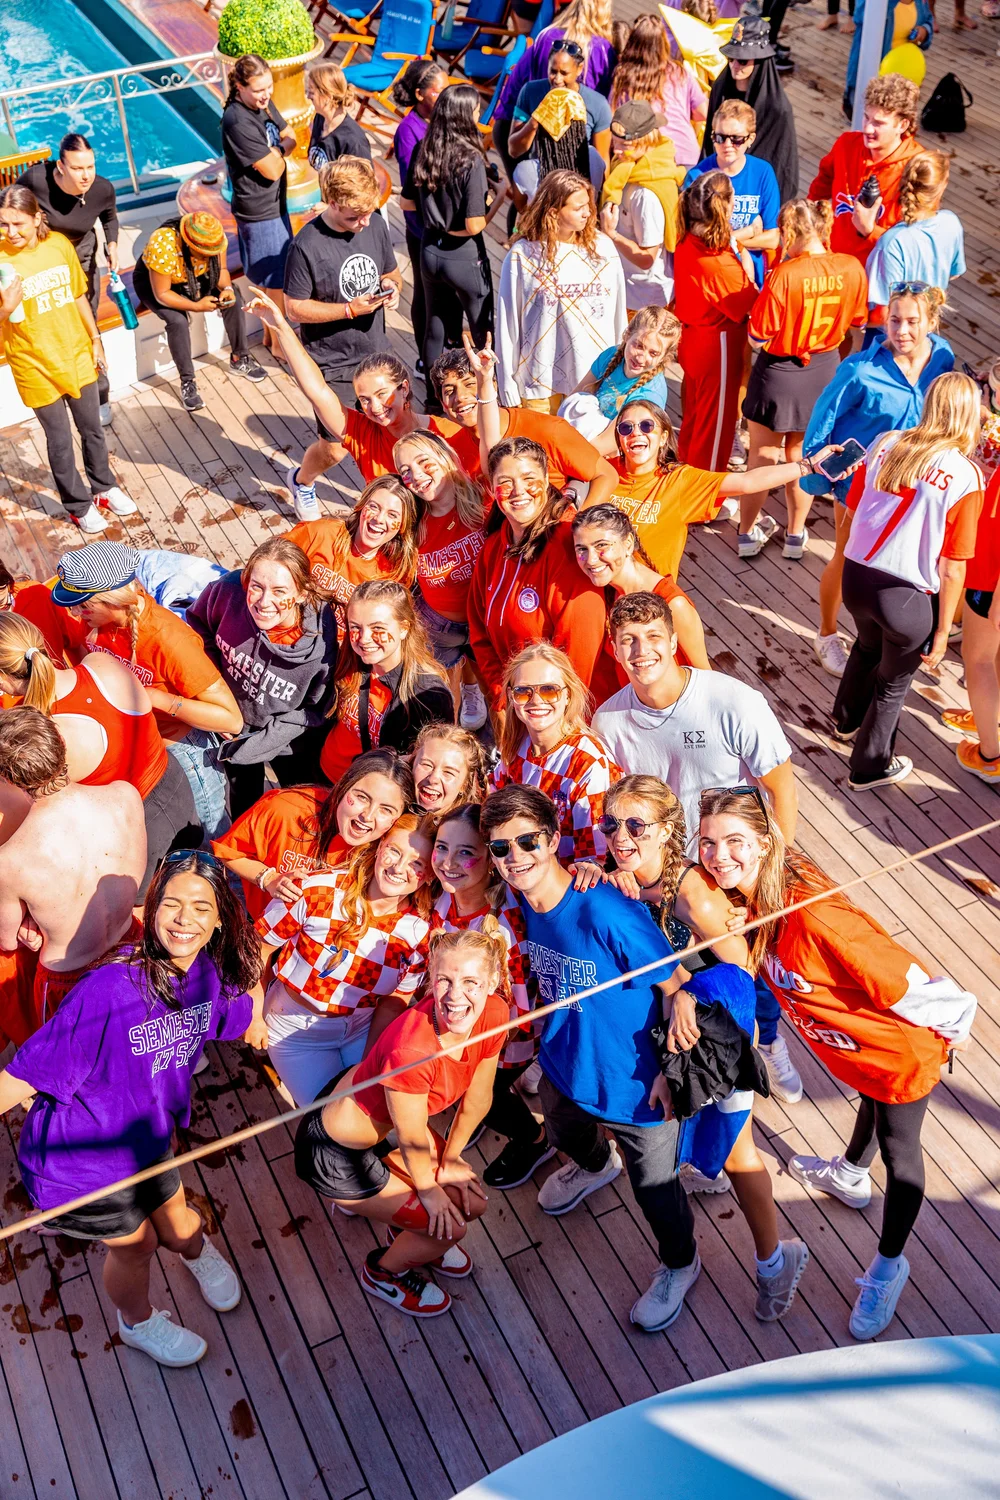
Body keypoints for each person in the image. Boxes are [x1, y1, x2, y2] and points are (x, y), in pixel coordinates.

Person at [698, 787, 977, 1339]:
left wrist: (957, 1026)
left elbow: (905, 980)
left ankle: (889, 1266)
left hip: (898, 1054)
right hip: (853, 1055)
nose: (719, 855)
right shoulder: (751, 901)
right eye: (708, 842)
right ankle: (850, 1175)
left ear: (765, 840)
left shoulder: (817, 918)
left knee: (902, 1155)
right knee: (868, 1105)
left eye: (735, 841)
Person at [481, 782, 744, 1332]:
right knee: (562, 1130)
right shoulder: (525, 903)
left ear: (552, 839)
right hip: (564, 1063)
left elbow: (675, 987)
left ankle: (681, 1263)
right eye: (501, 848)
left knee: (655, 1193)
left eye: (527, 841)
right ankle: (596, 1166)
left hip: (637, 1085)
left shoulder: (605, 911)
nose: (515, 858)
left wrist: (671, 1075)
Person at [0, 851, 260, 1367]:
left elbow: (238, 1007)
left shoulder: (208, 975)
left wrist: (257, 1010)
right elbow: (15, 1083)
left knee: (178, 1215)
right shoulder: (107, 991)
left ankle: (194, 1252)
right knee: (136, 1247)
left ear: (219, 922)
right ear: (152, 908)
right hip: (81, 1165)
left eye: (201, 908)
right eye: (171, 903)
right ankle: (137, 1322)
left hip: (149, 1140)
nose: (184, 919)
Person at [587, 774, 808, 1316]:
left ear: (668, 832)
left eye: (637, 825)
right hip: (678, 1035)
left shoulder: (692, 895)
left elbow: (743, 969)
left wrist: (688, 993)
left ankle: (775, 1263)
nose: (621, 836)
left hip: (721, 1037)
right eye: (611, 823)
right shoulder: (625, 879)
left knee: (739, 1153)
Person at [293, 927, 507, 1316]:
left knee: (471, 1203)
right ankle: (382, 1272)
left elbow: (479, 1098)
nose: (454, 997)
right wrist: (429, 1190)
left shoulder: (495, 1013)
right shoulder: (412, 1049)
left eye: (471, 982)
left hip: (387, 1130)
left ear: (493, 981)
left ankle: (412, 1233)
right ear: (431, 979)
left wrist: (453, 1159)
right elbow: (410, 1137)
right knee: (454, 1226)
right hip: (338, 1154)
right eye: (444, 980)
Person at [832, 373, 983, 792]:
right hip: (904, 596)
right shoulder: (965, 476)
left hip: (857, 576)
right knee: (893, 682)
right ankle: (870, 766)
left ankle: (845, 720)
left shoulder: (887, 442)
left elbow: (856, 503)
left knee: (866, 644)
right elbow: (954, 566)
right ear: (969, 414)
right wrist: (941, 630)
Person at [48, 540, 242, 843]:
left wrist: (156, 698)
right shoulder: (101, 622)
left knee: (210, 840)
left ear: (114, 599)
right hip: (143, 750)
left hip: (183, 752)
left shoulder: (168, 638)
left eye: (84, 604)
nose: (75, 613)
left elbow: (231, 720)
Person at [804, 283, 954, 676]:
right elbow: (823, 421)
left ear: (932, 323)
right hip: (860, 488)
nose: (901, 330)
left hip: (916, 484)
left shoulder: (943, 358)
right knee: (845, 557)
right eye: (894, 320)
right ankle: (826, 633)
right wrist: (820, 479)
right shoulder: (859, 369)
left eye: (912, 322)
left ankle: (883, 631)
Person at [0, 613, 200, 898]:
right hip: (174, 785)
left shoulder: (44, 741)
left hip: (137, 828)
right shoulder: (100, 664)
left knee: (149, 910)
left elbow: (36, 814)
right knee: (199, 874)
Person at [253, 813, 434, 1106]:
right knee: (326, 1118)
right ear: (378, 846)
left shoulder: (419, 934)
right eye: (394, 851)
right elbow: (257, 948)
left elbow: (394, 1001)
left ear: (429, 875)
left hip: (361, 1029)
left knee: (371, 1110)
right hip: (295, 1033)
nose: (399, 868)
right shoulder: (315, 890)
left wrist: (369, 1066)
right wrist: (253, 1011)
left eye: (417, 863)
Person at [593, 590, 797, 846]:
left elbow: (782, 790)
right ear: (614, 651)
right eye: (628, 640)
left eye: (653, 636)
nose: (641, 649)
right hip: (666, 869)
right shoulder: (607, 723)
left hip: (738, 863)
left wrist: (780, 866)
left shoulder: (736, 701)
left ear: (673, 643)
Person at [247, 294, 461, 522]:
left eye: (382, 394)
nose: (375, 407)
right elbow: (316, 390)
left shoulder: (446, 433)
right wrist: (281, 327)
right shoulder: (364, 434)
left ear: (404, 388)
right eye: (365, 400)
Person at [0, 184, 136, 534]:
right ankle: (78, 505)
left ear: (37, 218)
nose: (10, 232)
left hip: (75, 352)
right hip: (33, 364)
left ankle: (104, 488)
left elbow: (78, 296)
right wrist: (7, 308)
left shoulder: (59, 246)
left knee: (93, 430)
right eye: (3, 224)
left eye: (18, 224)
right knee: (59, 440)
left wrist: (95, 340)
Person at [740, 199, 868, 561]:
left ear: (790, 233)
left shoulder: (786, 274)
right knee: (803, 456)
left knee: (762, 457)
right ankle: (796, 535)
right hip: (825, 369)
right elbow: (857, 322)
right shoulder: (851, 267)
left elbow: (757, 337)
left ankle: (747, 533)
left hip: (779, 373)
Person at [0, 708, 146, 1025]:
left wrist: (32, 926)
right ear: (61, 744)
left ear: (9, 778)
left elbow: (8, 941)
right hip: (131, 951)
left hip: (67, 980)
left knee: (67, 1071)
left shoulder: (9, 861)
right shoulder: (126, 795)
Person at [430, 804, 549, 1189]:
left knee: (489, 1097)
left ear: (491, 860)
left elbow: (518, 1015)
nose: (449, 862)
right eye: (442, 847)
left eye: (466, 852)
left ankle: (535, 1139)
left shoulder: (501, 928)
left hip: (504, 1039)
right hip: (463, 1019)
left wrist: (468, 1064)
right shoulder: (447, 896)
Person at [282, 157, 404, 515]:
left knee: (390, 428)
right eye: (354, 217)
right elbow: (295, 308)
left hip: (376, 353)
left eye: (368, 213)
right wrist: (350, 310)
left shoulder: (374, 224)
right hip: (331, 361)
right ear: (332, 202)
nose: (363, 223)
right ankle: (302, 481)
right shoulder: (306, 246)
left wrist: (391, 287)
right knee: (336, 447)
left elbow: (392, 272)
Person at [186, 537, 339, 819]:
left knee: (301, 806)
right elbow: (197, 627)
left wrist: (256, 745)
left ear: (303, 593)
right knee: (245, 805)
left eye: (280, 590)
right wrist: (214, 693)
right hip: (232, 727)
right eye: (256, 587)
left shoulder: (323, 647)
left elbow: (315, 709)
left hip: (290, 740)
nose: (265, 602)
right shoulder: (227, 592)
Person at [606, 399, 842, 580]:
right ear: (619, 439)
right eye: (626, 428)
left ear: (663, 436)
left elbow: (747, 482)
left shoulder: (679, 481)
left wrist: (808, 465)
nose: (636, 433)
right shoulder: (603, 472)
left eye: (646, 426)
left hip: (647, 600)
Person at [466, 436, 610, 712]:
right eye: (505, 482)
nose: (518, 490)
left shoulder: (569, 547)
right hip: (520, 705)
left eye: (528, 478)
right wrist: (504, 695)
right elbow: (478, 625)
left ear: (545, 481)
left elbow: (578, 652)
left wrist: (544, 709)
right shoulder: (496, 545)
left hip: (566, 711)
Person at [212, 747, 414, 917]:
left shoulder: (390, 850)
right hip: (263, 931)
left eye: (386, 810)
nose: (368, 816)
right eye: (362, 797)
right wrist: (269, 879)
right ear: (343, 787)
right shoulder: (286, 809)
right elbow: (229, 852)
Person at [496, 170, 626, 414]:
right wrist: (506, 383)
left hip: (592, 381)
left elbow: (618, 315)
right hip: (538, 383)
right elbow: (507, 321)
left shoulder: (603, 249)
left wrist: (619, 372)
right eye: (579, 208)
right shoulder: (523, 255)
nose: (588, 213)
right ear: (554, 211)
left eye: (588, 205)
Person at [434, 342, 620, 506]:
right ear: (442, 403)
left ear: (493, 385)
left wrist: (575, 528)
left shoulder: (547, 429)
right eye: (449, 391)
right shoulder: (453, 453)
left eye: (470, 384)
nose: (460, 397)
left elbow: (606, 476)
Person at [400, 84, 502, 377]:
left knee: (435, 327)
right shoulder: (470, 159)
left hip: (430, 250)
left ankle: (433, 398)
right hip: (464, 255)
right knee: (483, 328)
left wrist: (436, 216)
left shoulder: (424, 148)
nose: (479, 114)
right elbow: (474, 224)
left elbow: (406, 202)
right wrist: (498, 199)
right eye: (475, 110)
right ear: (463, 116)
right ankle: (488, 391)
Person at [17, 132, 119, 422]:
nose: (85, 175)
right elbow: (12, 207)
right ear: (61, 166)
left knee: (89, 326)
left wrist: (111, 245)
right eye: (77, 168)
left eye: (90, 166)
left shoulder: (102, 189)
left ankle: (100, 397)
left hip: (82, 256)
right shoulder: (36, 179)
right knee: (47, 325)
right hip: (43, 260)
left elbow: (109, 217)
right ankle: (58, 390)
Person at [393, 430, 488, 729]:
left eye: (424, 463)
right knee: (442, 699)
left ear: (445, 458)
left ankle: (475, 693)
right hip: (439, 625)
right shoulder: (413, 521)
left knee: (496, 692)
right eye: (405, 471)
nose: (417, 476)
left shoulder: (484, 501)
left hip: (485, 620)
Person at [493, 643, 621, 863]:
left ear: (568, 695)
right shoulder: (515, 747)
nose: (536, 700)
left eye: (549, 690)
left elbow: (594, 859)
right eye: (523, 692)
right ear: (511, 698)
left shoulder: (588, 763)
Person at [320, 580, 454, 786]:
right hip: (323, 770)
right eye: (355, 627)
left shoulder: (427, 696)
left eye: (377, 628)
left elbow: (425, 767)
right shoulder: (350, 658)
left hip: (362, 792)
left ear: (403, 628)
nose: (364, 638)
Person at [132, 211, 264, 413]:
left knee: (233, 296)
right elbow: (162, 294)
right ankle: (188, 382)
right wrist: (196, 306)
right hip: (158, 284)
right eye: (205, 253)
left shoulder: (213, 238)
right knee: (177, 321)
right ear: (190, 245)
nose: (210, 256)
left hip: (194, 275)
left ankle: (240, 358)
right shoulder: (163, 244)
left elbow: (221, 273)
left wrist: (227, 289)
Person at [672, 172, 757, 471]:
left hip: (694, 340)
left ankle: (685, 477)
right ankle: (704, 502)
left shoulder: (687, 239)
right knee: (715, 430)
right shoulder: (719, 264)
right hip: (717, 346)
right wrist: (747, 269)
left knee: (695, 420)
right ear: (727, 206)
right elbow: (752, 305)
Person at [572, 502, 711, 670]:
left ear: (628, 544)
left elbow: (705, 674)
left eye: (601, 545)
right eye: (582, 549)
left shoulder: (674, 604)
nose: (591, 560)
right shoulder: (606, 591)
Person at [221, 53, 296, 355]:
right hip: (259, 212)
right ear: (240, 86)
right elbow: (273, 169)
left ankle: (269, 337)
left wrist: (276, 150)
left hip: (275, 205)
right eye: (258, 89)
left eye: (269, 87)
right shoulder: (237, 119)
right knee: (275, 279)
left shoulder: (262, 103)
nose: (266, 94)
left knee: (272, 279)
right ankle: (280, 344)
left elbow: (291, 136)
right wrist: (280, 151)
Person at [808, 74, 921, 271]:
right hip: (833, 266)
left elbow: (914, 246)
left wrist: (869, 230)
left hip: (879, 279)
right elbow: (820, 187)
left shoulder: (918, 168)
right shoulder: (846, 145)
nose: (868, 129)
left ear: (902, 125)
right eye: (866, 117)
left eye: (879, 123)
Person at [286, 475, 418, 630]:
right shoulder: (321, 533)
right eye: (374, 507)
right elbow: (267, 562)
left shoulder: (396, 572)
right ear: (361, 507)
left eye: (392, 515)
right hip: (289, 632)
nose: (379, 519)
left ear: (403, 526)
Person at [389, 59, 454, 375]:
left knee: (447, 292)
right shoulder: (408, 131)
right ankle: (423, 356)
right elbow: (413, 187)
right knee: (428, 295)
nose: (444, 97)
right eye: (437, 92)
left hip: (449, 223)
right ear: (419, 94)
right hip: (423, 229)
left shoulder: (443, 120)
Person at [701, 1, 799, 203]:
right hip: (719, 189)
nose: (735, 65)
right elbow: (708, 145)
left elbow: (783, 167)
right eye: (731, 58)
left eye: (743, 60)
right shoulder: (720, 88)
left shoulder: (778, 109)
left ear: (760, 61)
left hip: (755, 198)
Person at [683, 99, 780, 288]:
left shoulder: (763, 172)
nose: (727, 144)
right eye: (720, 137)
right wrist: (749, 234)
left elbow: (772, 239)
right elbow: (695, 242)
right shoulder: (697, 178)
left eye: (736, 139)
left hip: (750, 281)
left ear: (751, 139)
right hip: (709, 282)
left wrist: (730, 239)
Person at [598, 103, 685, 312]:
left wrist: (611, 234)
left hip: (645, 300)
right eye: (615, 142)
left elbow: (647, 259)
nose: (616, 150)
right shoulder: (627, 168)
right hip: (626, 289)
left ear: (646, 141)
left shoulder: (647, 195)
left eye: (624, 145)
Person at [864, 150, 965, 329]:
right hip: (926, 328)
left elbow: (883, 312)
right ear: (942, 187)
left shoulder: (892, 242)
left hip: (892, 339)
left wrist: (853, 324)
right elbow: (954, 271)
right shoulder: (951, 222)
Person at [508, 40, 613, 206]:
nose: (557, 79)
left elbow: (603, 161)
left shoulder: (598, 104)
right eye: (553, 71)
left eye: (564, 73)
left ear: (579, 69)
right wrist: (536, 120)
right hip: (537, 181)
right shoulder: (530, 92)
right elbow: (514, 150)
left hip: (578, 194)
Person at [559, 307, 677, 453]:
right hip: (587, 438)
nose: (641, 358)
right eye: (638, 345)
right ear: (627, 335)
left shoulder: (649, 396)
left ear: (663, 357)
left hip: (617, 454)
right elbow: (573, 399)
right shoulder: (611, 356)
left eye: (653, 353)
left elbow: (602, 446)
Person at [610, 12, 708, 169]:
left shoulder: (624, 76)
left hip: (649, 157)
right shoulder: (679, 72)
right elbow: (702, 113)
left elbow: (614, 116)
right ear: (664, 43)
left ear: (632, 42)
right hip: (686, 155)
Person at [952, 467, 1000, 783]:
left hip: (991, 578)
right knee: (991, 657)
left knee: (978, 660)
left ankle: (990, 756)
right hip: (989, 572)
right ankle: (989, 718)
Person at [844, 3, 931, 118]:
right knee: (867, 124)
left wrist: (924, 30)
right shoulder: (879, 4)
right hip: (873, 79)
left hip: (903, 82)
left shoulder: (920, 2)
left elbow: (928, 19)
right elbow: (860, 16)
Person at [411, 722, 490, 818]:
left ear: (464, 785)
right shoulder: (392, 808)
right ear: (412, 763)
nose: (433, 779)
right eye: (427, 765)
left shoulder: (467, 830)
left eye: (448, 772)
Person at [306, 63, 372, 168]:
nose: (308, 96)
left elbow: (364, 181)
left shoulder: (353, 142)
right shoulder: (320, 118)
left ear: (327, 96)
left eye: (311, 92)